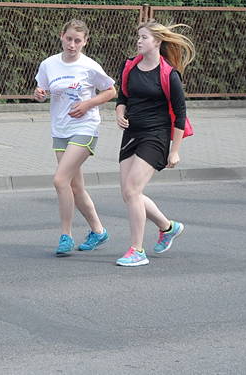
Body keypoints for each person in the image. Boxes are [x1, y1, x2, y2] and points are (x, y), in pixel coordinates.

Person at [115, 20, 195, 267]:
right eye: (138, 37)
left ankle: (137, 250)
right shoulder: (130, 66)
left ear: (157, 42)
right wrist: (119, 112)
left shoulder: (169, 74)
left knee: (132, 190)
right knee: (129, 193)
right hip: (132, 134)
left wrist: (175, 151)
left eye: (144, 38)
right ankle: (167, 227)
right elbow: (123, 97)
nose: (139, 41)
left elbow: (180, 115)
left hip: (156, 136)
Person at [33, 19, 116, 256]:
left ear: (85, 42)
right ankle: (98, 231)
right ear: (62, 36)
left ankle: (65, 235)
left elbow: (111, 91)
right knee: (76, 186)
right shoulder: (48, 64)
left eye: (77, 41)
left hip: (85, 128)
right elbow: (41, 91)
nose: (72, 44)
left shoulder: (90, 66)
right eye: (69, 39)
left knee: (60, 180)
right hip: (60, 129)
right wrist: (39, 94)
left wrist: (88, 103)